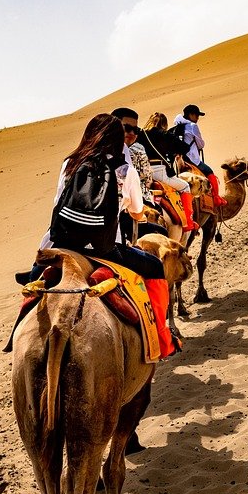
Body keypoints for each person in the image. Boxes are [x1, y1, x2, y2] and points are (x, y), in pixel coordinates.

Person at [35, 113, 175, 358]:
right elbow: (137, 211)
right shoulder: (125, 169)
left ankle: (16, 333)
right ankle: (162, 339)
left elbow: (58, 202)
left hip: (62, 242)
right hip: (104, 248)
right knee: (155, 267)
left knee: (33, 282)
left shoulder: (70, 163)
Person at [138, 112, 200, 232]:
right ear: (164, 124)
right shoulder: (165, 135)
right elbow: (184, 148)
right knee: (185, 186)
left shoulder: (141, 135)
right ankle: (188, 222)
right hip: (159, 172)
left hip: (142, 174)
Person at [171, 103, 226, 206]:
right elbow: (200, 144)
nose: (197, 118)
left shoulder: (177, 126)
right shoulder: (192, 126)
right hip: (192, 159)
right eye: (196, 115)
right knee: (209, 172)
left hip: (179, 159)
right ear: (191, 115)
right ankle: (216, 198)